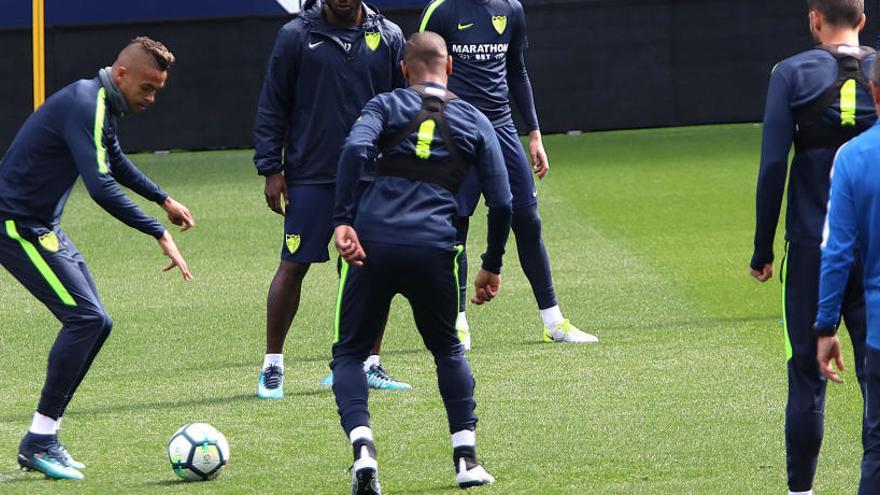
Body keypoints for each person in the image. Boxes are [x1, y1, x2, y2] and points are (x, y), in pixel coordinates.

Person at [0, 37, 193, 480]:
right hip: (16, 225)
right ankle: (39, 440)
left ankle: (43, 437)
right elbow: (101, 185)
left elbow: (116, 162)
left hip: (42, 226)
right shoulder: (86, 102)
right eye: (147, 87)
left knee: (97, 322)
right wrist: (157, 231)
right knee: (86, 320)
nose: (151, 98)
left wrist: (163, 199)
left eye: (158, 90)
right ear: (122, 74)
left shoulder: (100, 100)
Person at [330, 32, 512, 493]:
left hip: (372, 246)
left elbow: (353, 150)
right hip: (436, 249)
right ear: (449, 67)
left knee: (350, 353)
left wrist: (343, 220)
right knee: (448, 349)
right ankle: (466, 459)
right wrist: (491, 264)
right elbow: (504, 201)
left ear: (404, 69)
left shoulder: (385, 105)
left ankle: (364, 450)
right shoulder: (474, 119)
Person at [253, 0, 410, 397]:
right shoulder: (295, 36)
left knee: (372, 269)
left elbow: (403, 105)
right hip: (311, 175)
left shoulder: (388, 35)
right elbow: (274, 101)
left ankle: (368, 363)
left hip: (371, 175)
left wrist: (403, 167)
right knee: (293, 266)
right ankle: (272, 366)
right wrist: (271, 167)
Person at [418, 0, 596, 348]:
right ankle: (458, 322)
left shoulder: (510, 9)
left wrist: (534, 134)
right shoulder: (441, 10)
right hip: (457, 130)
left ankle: (553, 321)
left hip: (501, 131)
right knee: (455, 223)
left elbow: (517, 70)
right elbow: (420, 70)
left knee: (527, 218)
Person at [749, 2, 875, 493]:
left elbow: (772, 167)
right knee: (876, 378)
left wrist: (762, 247)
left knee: (806, 377)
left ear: (814, 18)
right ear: (862, 21)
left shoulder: (791, 73)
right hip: (873, 251)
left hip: (810, 250)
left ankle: (800, 491)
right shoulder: (877, 72)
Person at [814, 54, 880, 495]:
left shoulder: (854, 157)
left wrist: (825, 324)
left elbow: (838, 253)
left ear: (874, 93)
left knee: (876, 449)